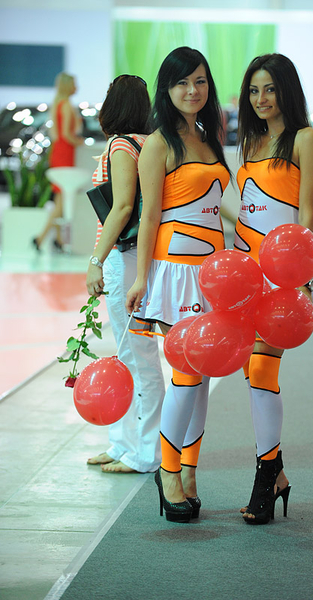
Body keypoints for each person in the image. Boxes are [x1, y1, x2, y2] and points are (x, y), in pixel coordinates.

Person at [126, 47, 231, 522]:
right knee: (187, 374)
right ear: (166, 89)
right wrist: (142, 277)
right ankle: (167, 472)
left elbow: (217, 206)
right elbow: (149, 216)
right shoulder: (157, 144)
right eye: (182, 82)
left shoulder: (209, 136)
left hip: (213, 274)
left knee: (203, 376)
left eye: (200, 81)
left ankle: (188, 472)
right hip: (174, 270)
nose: (192, 90)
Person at [234, 53, 313, 524]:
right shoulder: (251, 140)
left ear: (287, 89)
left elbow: (306, 218)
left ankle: (265, 477)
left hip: (281, 278)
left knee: (262, 371)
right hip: (243, 275)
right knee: (252, 375)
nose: (261, 98)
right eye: (254, 90)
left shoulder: (306, 140)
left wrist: (305, 283)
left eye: (269, 88)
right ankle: (278, 473)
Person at [85, 74, 165, 474]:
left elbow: (121, 208)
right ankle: (123, 444)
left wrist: (95, 260)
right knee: (131, 355)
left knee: (138, 357)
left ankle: (146, 453)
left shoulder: (121, 145)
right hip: (138, 256)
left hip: (123, 255)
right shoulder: (149, 142)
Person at [33, 72, 84, 251]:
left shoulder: (59, 104)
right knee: (62, 198)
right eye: (74, 84)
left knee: (59, 198)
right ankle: (41, 238)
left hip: (59, 152)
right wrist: (80, 142)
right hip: (65, 153)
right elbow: (67, 135)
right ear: (68, 86)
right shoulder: (66, 105)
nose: (76, 87)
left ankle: (58, 239)